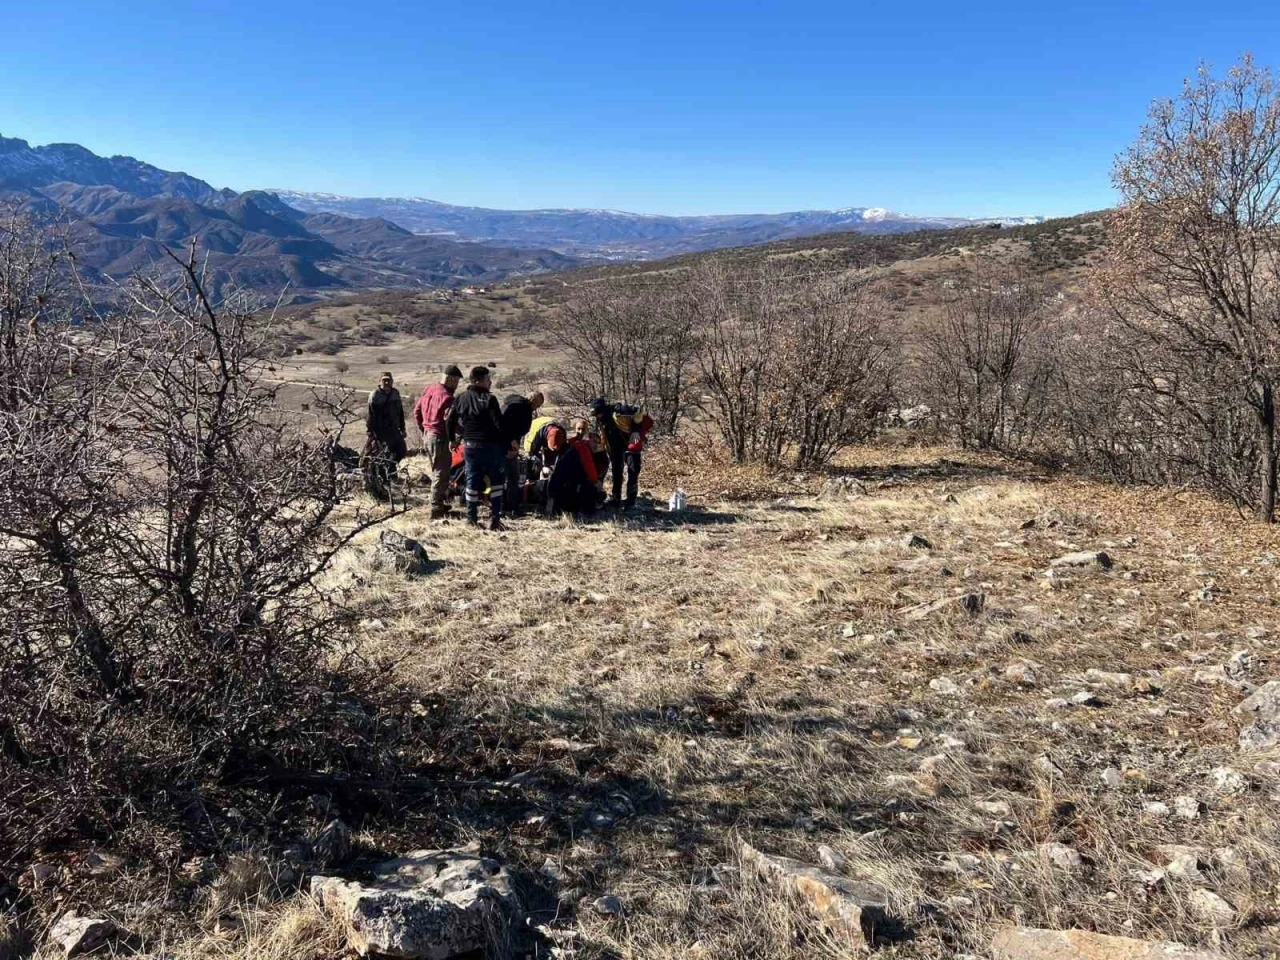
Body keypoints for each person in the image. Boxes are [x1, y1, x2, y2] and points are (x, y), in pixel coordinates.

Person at [447, 366, 507, 530]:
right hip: (490, 447)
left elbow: (450, 421)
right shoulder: (489, 399)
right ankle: (495, 518)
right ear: (478, 381)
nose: (490, 382)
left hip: (470, 447)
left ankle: (471, 518)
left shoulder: (461, 398)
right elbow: (499, 425)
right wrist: (506, 445)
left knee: (472, 481)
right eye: (488, 379)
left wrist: (452, 440)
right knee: (496, 482)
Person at [412, 364, 463, 519]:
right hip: (440, 437)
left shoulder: (429, 389)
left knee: (436, 471)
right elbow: (450, 422)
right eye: (457, 381)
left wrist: (424, 430)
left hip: (428, 435)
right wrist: (462, 434)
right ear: (452, 379)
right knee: (441, 473)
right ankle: (436, 508)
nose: (457, 385)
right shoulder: (447, 398)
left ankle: (438, 503)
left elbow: (417, 411)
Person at [589, 398, 653, 510]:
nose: (597, 417)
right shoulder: (601, 419)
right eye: (595, 415)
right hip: (616, 447)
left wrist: (636, 430)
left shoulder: (620, 410)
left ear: (603, 409)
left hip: (632, 442)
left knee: (633, 471)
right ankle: (616, 499)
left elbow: (638, 411)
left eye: (598, 413)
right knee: (616, 472)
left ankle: (631, 501)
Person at [545, 418, 602, 518]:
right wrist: (596, 482)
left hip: (564, 483)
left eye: (598, 443)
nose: (596, 445)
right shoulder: (582, 447)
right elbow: (589, 466)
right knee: (590, 487)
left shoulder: (579, 445)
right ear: (588, 439)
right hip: (561, 485)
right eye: (594, 441)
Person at [500, 391, 544, 515]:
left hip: (509, 445)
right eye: (538, 403)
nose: (537, 407)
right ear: (532, 399)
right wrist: (511, 441)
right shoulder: (519, 407)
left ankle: (507, 505)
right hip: (506, 446)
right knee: (511, 477)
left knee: (508, 477)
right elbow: (504, 424)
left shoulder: (518, 405)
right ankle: (510, 507)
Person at [366, 371, 407, 463]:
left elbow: (400, 412)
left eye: (389, 380)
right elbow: (370, 415)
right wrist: (370, 431)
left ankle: (391, 468)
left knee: (401, 451)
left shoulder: (395, 393)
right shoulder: (375, 395)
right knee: (382, 453)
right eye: (384, 380)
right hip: (380, 431)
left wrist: (402, 428)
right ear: (380, 381)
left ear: (392, 381)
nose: (387, 382)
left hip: (394, 429)